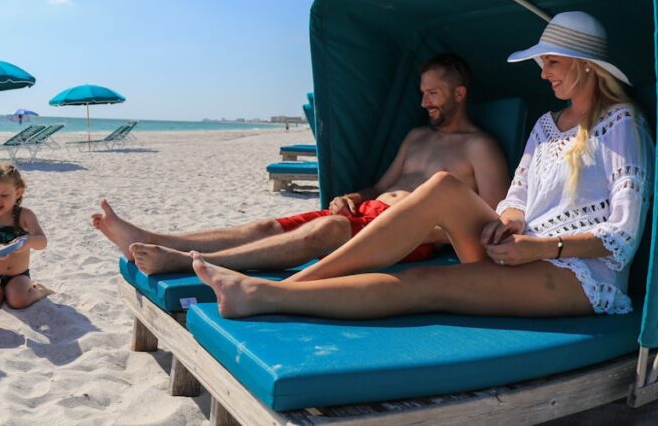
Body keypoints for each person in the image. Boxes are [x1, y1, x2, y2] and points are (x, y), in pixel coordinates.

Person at [193, 11, 653, 320]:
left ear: (587, 65)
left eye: (551, 62)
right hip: (521, 250)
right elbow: (516, 198)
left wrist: (542, 249)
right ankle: (298, 283)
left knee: (427, 282)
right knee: (441, 186)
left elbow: (624, 234)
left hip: (578, 274)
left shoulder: (621, 124)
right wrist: (510, 223)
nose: (543, 72)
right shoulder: (545, 125)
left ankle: (265, 294)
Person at [93, 53, 510, 274]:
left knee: (325, 231)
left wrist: (429, 230)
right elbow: (380, 185)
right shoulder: (417, 136)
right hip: (368, 214)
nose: (423, 103)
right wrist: (352, 195)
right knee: (263, 227)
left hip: (411, 234)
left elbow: (485, 223)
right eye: (421, 93)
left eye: (433, 94)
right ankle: (150, 236)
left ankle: (187, 261)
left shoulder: (481, 148)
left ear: (459, 93)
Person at [0, 163, 51, 322]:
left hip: (18, 275)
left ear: (18, 193)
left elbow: (42, 242)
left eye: (4, 195)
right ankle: (1, 293)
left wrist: (28, 241)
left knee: (18, 301)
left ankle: (39, 290)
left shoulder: (25, 216)